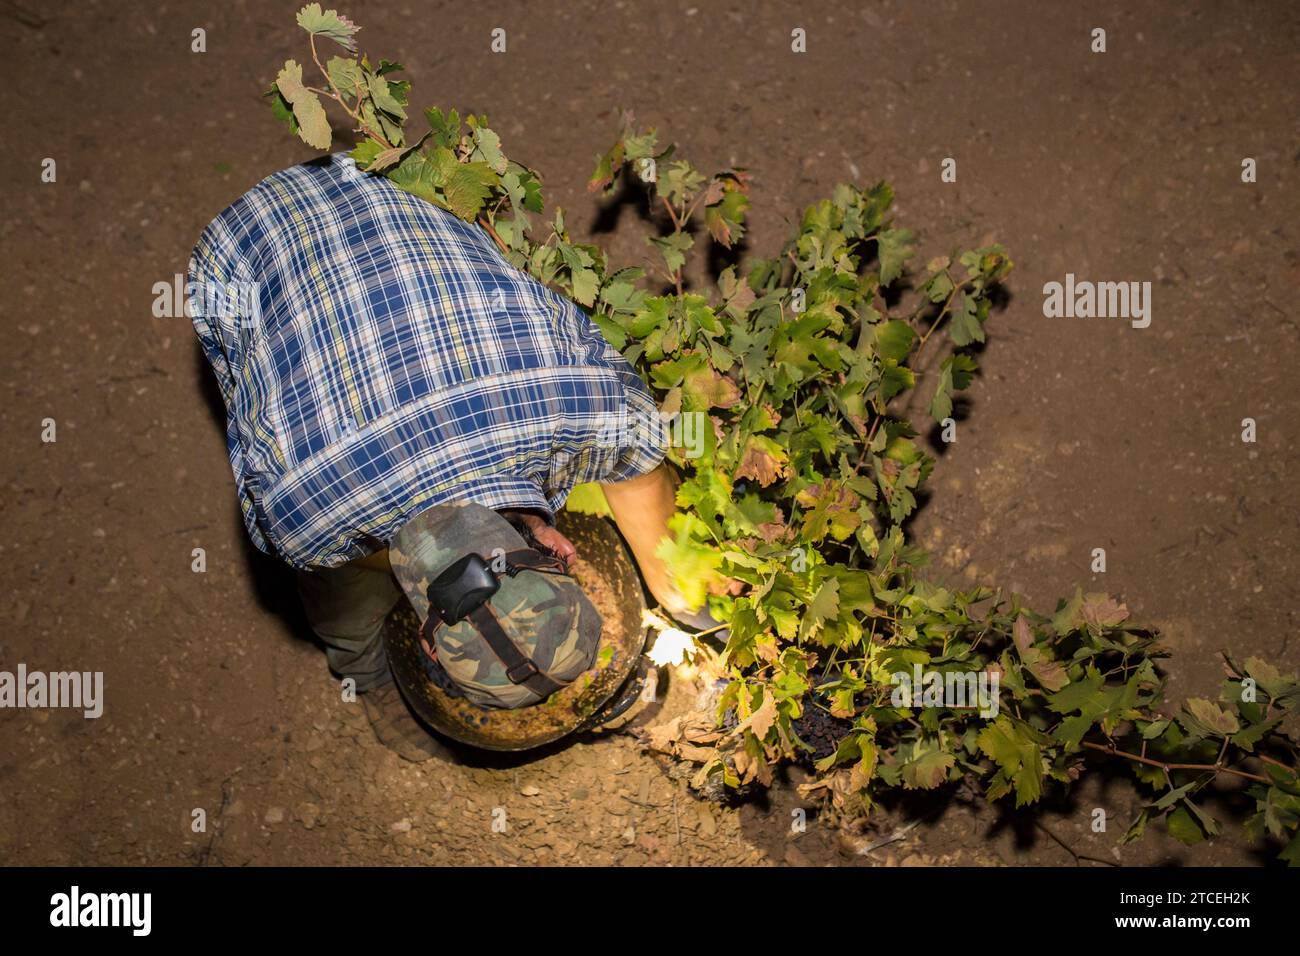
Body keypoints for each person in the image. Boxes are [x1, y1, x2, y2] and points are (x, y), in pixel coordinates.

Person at [188, 152, 696, 760]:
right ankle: (369, 675)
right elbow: (252, 446)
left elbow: (640, 473)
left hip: (384, 180)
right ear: (565, 550)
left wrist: (685, 600)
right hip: (231, 266)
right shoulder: (301, 522)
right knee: (339, 586)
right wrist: (419, 553)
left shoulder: (584, 407)